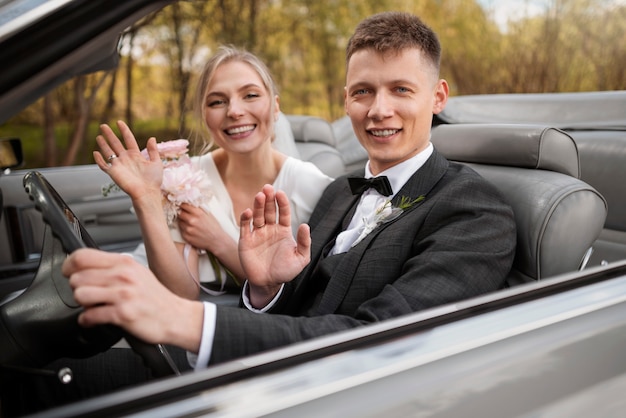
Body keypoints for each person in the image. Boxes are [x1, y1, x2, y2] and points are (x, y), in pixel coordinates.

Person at [61, 11, 516, 368]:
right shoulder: (341, 192)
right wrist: (265, 286)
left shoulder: (474, 212)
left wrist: (185, 320)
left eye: (400, 89)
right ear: (345, 100)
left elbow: (376, 339)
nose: (379, 110)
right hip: (254, 356)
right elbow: (293, 305)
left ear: (437, 97)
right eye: (363, 92)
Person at [94, 46, 332, 300]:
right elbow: (180, 294)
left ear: (275, 107)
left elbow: (316, 294)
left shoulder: (311, 185)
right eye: (217, 101)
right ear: (205, 116)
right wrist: (146, 197)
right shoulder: (183, 178)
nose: (234, 111)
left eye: (250, 95)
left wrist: (219, 242)